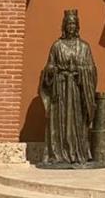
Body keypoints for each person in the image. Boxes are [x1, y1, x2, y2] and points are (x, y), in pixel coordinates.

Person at [39, 9, 98, 165]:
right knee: (60, 122)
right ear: (64, 26)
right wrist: (53, 70)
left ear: (77, 26)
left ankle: (78, 153)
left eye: (73, 23)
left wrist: (81, 70)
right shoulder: (57, 46)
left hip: (78, 90)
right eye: (68, 23)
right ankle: (58, 153)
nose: (71, 26)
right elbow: (49, 67)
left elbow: (92, 69)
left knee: (76, 121)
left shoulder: (84, 47)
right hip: (61, 89)